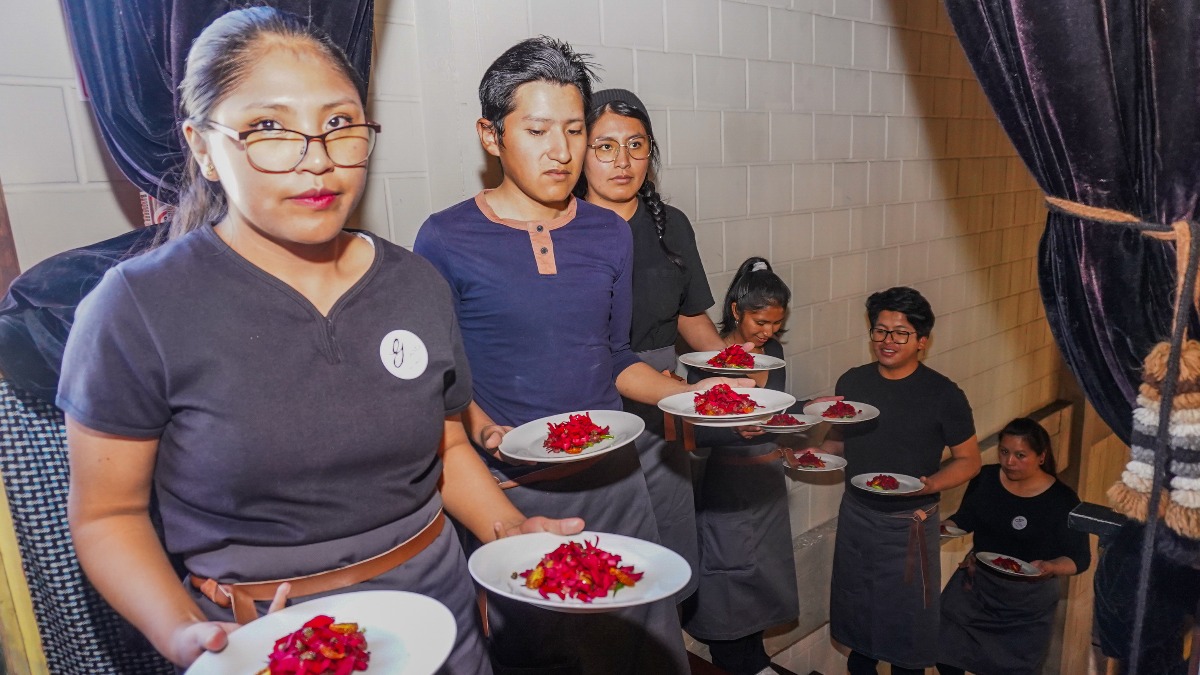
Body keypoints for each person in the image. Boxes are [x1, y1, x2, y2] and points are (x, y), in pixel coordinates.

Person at [58, 9, 578, 671]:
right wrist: (181, 629)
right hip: (267, 641)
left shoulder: (415, 284)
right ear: (203, 146)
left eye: (339, 125)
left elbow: (445, 445)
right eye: (269, 128)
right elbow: (107, 514)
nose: (318, 162)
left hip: (443, 621)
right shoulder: (136, 309)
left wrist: (508, 527)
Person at [414, 37, 748, 675]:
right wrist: (488, 432)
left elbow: (615, 355)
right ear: (491, 135)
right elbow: (440, 383)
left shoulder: (606, 233)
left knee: (644, 649)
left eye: (573, 129)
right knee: (548, 658)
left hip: (615, 479)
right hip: (513, 491)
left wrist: (693, 397)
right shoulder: (445, 238)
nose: (561, 151)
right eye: (537, 129)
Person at [575, 87, 725, 601]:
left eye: (636, 146)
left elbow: (690, 317)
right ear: (580, 152)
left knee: (667, 534)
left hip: (664, 402)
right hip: (593, 399)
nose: (623, 161)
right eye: (606, 146)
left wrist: (734, 374)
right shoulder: (561, 228)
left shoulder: (670, 225)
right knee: (610, 546)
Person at [815, 286, 981, 675]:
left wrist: (929, 486)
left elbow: (969, 461)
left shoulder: (944, 395)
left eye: (900, 332)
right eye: (880, 330)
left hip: (909, 523)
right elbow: (836, 441)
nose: (887, 341)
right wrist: (803, 457)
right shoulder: (853, 382)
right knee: (859, 630)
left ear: (922, 341)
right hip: (857, 516)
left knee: (908, 637)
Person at [681, 257, 800, 675]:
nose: (768, 332)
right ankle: (735, 663)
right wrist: (738, 432)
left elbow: (778, 411)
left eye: (775, 324)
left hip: (766, 482)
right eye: (759, 321)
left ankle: (757, 660)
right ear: (736, 311)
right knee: (727, 581)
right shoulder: (704, 361)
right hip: (725, 484)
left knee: (762, 582)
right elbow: (693, 434)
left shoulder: (776, 354)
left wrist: (800, 418)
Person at [936, 418, 1090, 675]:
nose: (1009, 462)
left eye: (1020, 455)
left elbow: (1080, 558)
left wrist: (1051, 566)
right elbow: (966, 518)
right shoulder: (985, 478)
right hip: (976, 588)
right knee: (946, 652)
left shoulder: (1062, 500)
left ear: (1041, 457)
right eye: (1004, 452)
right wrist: (937, 528)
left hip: (1026, 604)